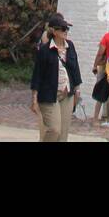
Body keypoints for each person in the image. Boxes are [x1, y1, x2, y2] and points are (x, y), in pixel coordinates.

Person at [29, 12, 82, 143]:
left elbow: (75, 68)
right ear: (54, 31)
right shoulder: (45, 50)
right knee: (54, 130)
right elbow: (37, 75)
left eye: (67, 29)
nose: (66, 31)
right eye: (63, 29)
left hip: (67, 93)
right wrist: (34, 98)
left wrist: (77, 89)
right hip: (49, 95)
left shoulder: (71, 46)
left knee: (63, 135)